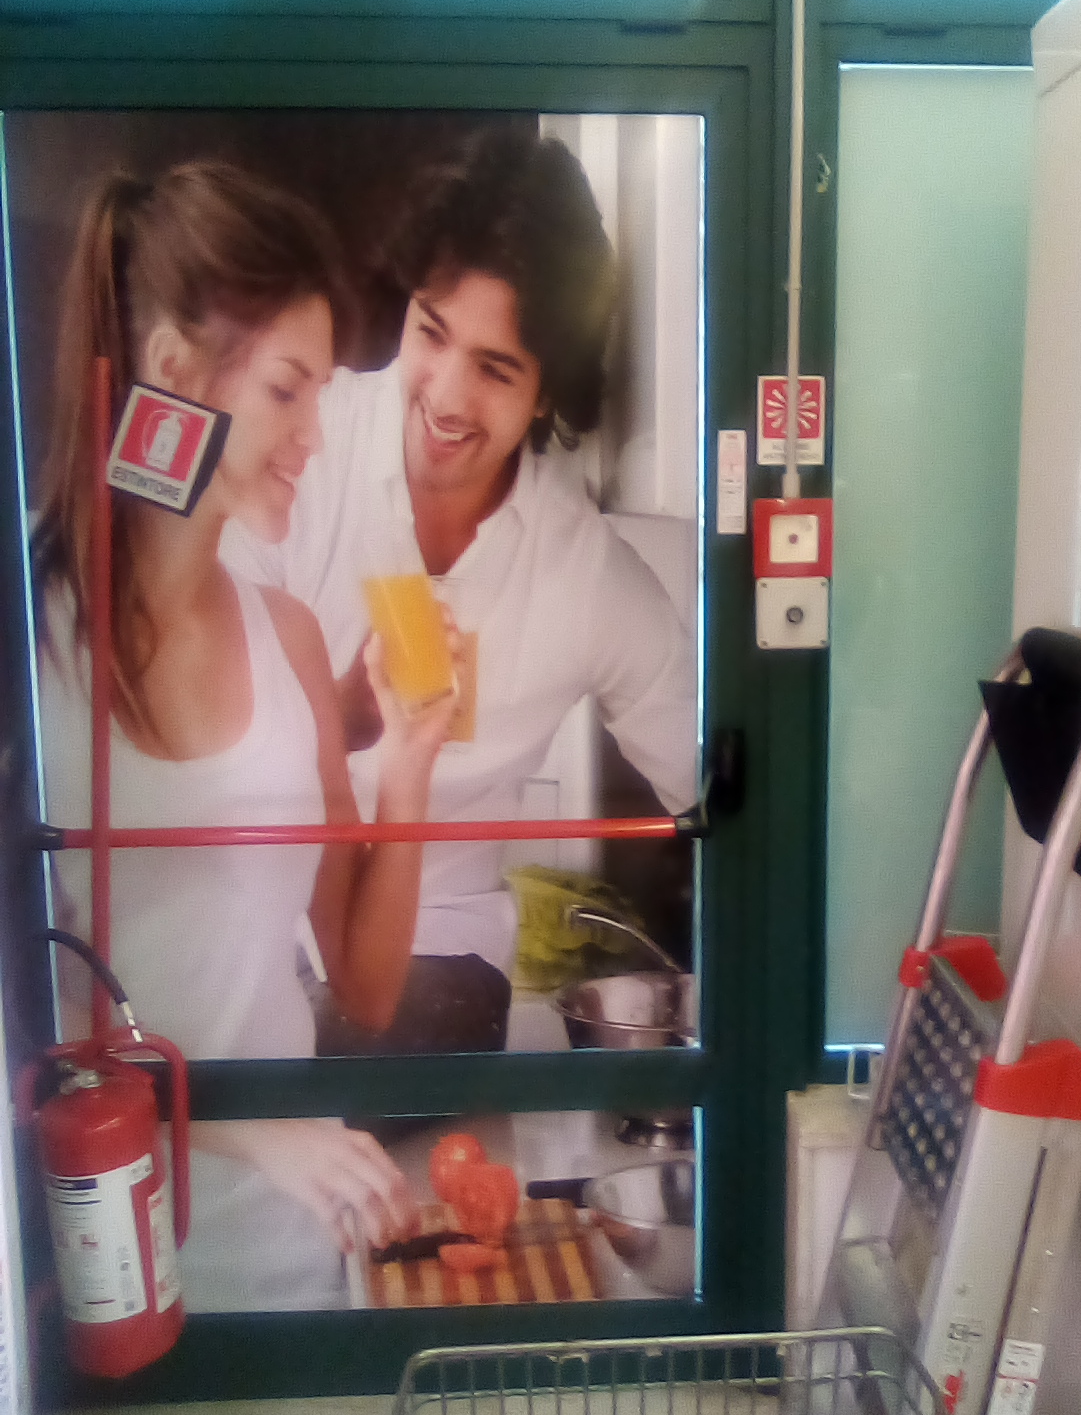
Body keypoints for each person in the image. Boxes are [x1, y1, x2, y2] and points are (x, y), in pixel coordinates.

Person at [33, 161, 459, 1310]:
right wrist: (244, 1126)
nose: (314, 434)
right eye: (286, 389)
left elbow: (366, 987)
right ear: (173, 369)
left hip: (292, 1269)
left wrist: (409, 763)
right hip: (99, 1283)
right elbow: (26, 1022)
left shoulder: (290, 641)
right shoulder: (30, 642)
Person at [222, 126, 697, 1056]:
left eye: (494, 369)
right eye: (431, 333)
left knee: (368, 1047)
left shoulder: (585, 574)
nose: (443, 395)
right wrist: (343, 715)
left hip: (436, 958)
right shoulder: (301, 453)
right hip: (255, 927)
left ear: (548, 393)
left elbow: (723, 788)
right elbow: (196, 726)